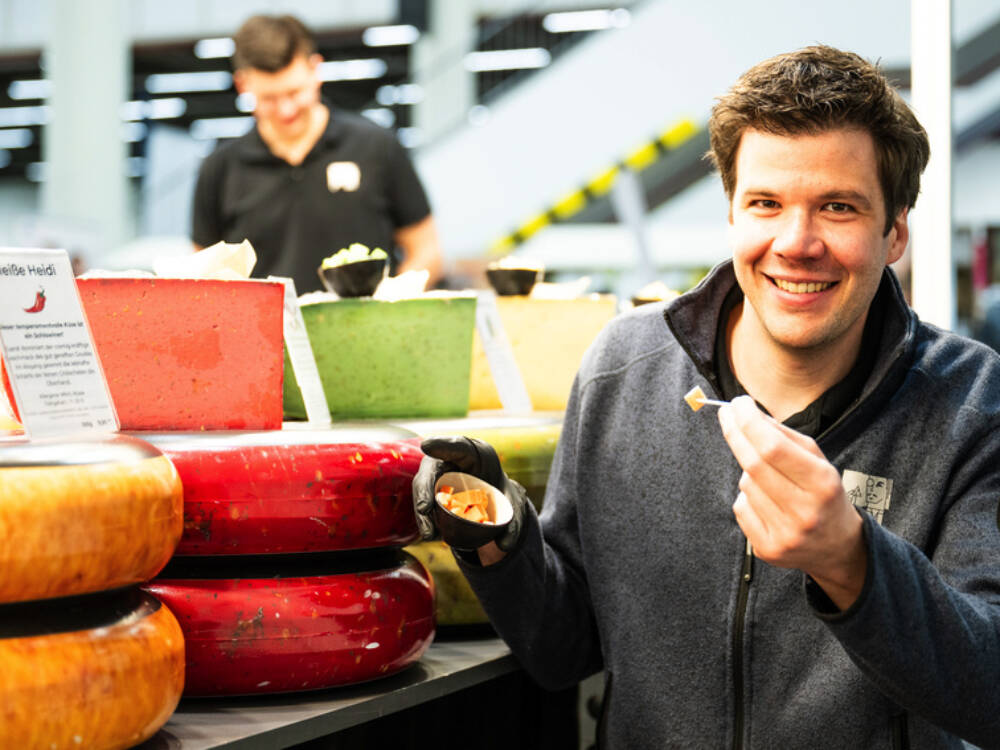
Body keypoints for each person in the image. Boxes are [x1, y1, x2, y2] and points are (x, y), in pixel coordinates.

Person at [413, 45, 1000, 748]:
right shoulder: (622, 370)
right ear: (731, 213)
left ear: (895, 230)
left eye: (838, 207)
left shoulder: (973, 404)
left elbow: (987, 689)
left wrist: (852, 560)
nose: (796, 241)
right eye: (765, 204)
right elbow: (565, 648)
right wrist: (499, 539)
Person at [191, 14, 443, 294]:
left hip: (367, 332)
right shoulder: (220, 168)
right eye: (270, 99)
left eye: (295, 92)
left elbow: (426, 250)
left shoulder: (376, 146)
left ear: (315, 70)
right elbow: (205, 275)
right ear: (243, 85)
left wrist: (393, 297)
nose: (286, 110)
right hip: (267, 336)